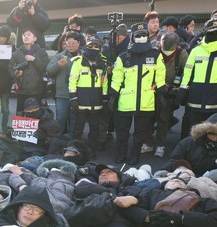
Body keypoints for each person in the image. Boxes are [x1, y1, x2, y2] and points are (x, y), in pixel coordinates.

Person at [109, 22, 165, 165]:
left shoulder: (155, 55)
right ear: (132, 37)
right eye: (138, 35)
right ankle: (121, 154)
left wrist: (161, 91)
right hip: (125, 101)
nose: (141, 37)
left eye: (144, 35)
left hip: (146, 101)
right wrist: (113, 95)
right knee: (122, 132)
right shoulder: (123, 57)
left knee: (141, 133)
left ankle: (135, 156)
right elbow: (117, 78)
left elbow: (160, 75)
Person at [68, 35, 107, 156]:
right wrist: (73, 97)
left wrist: (104, 98)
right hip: (81, 101)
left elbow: (104, 81)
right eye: (91, 45)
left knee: (94, 129)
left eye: (97, 46)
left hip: (96, 102)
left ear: (100, 48)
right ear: (86, 46)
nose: (94, 48)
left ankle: (91, 151)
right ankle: (76, 151)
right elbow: (72, 80)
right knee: (78, 129)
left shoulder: (103, 63)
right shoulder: (78, 61)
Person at [151, 32, 188, 158]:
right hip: (154, 89)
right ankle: (147, 142)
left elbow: (186, 73)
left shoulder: (182, 54)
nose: (165, 50)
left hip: (171, 90)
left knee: (163, 118)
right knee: (149, 117)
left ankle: (160, 145)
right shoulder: (155, 52)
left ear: (176, 46)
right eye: (163, 47)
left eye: (168, 49)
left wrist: (176, 89)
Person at [100, 23, 130, 151]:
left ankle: (120, 142)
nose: (114, 39)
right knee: (105, 113)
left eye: (117, 36)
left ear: (123, 36)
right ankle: (105, 136)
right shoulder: (107, 48)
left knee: (120, 117)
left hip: (123, 87)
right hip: (107, 84)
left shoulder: (128, 49)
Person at [47, 31, 82, 137]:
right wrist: (58, 65)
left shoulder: (83, 56)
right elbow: (49, 71)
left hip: (78, 94)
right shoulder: (59, 56)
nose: (70, 46)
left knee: (74, 119)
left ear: (79, 43)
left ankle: (73, 141)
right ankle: (57, 141)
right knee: (60, 119)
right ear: (65, 43)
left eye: (73, 43)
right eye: (68, 43)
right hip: (62, 93)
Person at [9, 28, 49, 113]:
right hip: (21, 91)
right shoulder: (17, 53)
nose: (26, 36)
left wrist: (34, 59)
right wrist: (16, 74)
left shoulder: (41, 52)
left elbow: (45, 68)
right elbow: (10, 68)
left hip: (37, 90)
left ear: (35, 38)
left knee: (35, 117)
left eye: (29, 34)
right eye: (24, 35)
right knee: (20, 116)